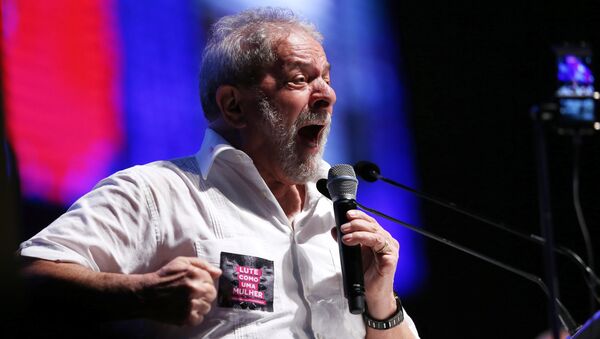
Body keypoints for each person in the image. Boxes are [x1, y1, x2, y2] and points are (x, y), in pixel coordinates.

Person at [18, 7, 419, 338]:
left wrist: (380, 298)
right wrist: (142, 294)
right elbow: (29, 276)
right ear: (233, 105)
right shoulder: (157, 193)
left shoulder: (337, 214)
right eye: (300, 80)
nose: (327, 95)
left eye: (327, 80)